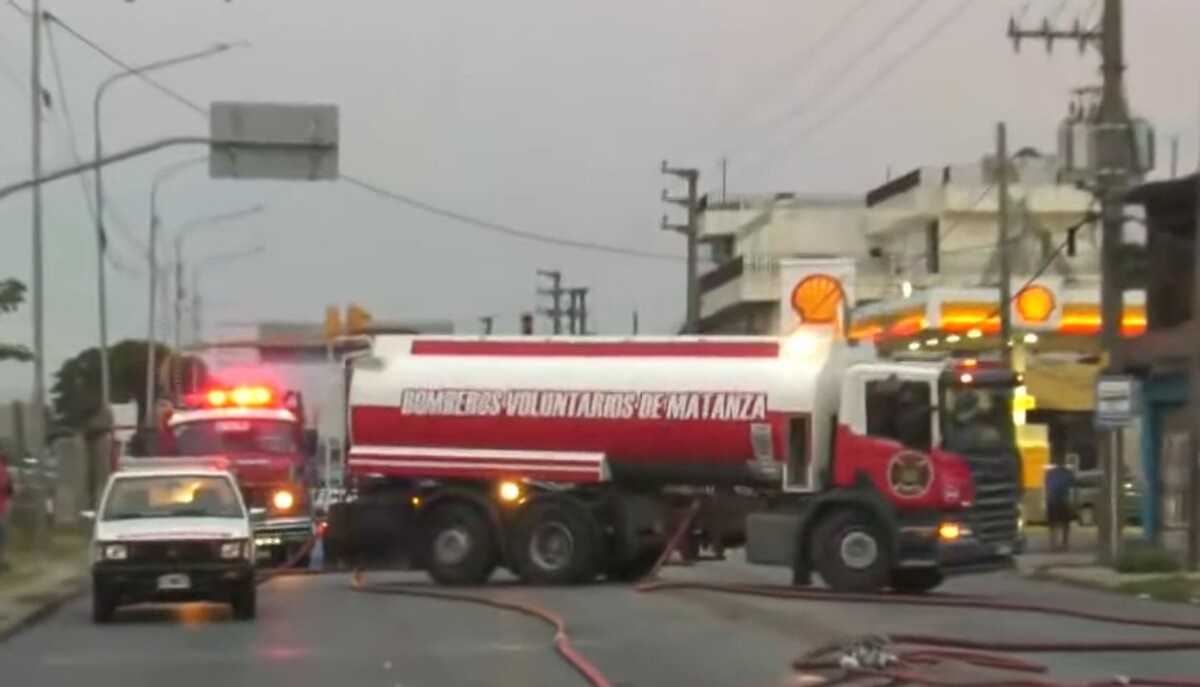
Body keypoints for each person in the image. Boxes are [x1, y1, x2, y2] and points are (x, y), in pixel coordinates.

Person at [1044, 454, 1076, 551]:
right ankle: (1064, 543)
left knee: (1053, 524)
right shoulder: (1067, 473)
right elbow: (1072, 488)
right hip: (1063, 500)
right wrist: (1072, 501)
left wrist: (1045, 501)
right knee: (1065, 523)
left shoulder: (1050, 473)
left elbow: (1047, 488)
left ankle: (1053, 544)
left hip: (1052, 500)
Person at [0, 452, 12, 572]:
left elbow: (7, 486)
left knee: (2, 536)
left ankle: (2, 560)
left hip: (2, 506)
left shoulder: (3, 465)